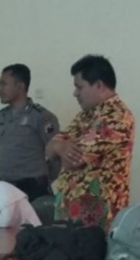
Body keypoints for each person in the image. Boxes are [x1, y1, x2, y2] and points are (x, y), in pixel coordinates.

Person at [46, 55, 135, 229]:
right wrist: (58, 146)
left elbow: (72, 160)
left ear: (99, 85)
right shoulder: (85, 115)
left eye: (79, 87)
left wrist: (60, 148)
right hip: (71, 216)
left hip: (96, 222)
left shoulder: (117, 117)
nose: (75, 93)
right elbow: (49, 149)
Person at [0, 64, 60, 201]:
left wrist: (44, 179)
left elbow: (56, 155)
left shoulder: (41, 117)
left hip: (33, 188)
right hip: (5, 186)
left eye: (4, 84)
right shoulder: (1, 116)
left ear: (20, 86)